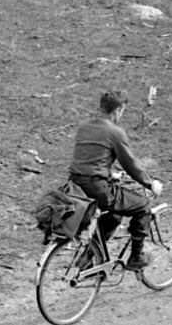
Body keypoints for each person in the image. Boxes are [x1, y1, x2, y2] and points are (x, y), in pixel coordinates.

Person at [68, 90, 163, 272]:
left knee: (114, 214)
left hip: (75, 185)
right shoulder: (114, 132)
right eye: (123, 111)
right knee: (142, 206)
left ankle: (90, 259)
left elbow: (89, 159)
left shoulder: (84, 127)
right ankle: (137, 257)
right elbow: (130, 164)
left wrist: (110, 174)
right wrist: (150, 184)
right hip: (98, 187)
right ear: (118, 110)